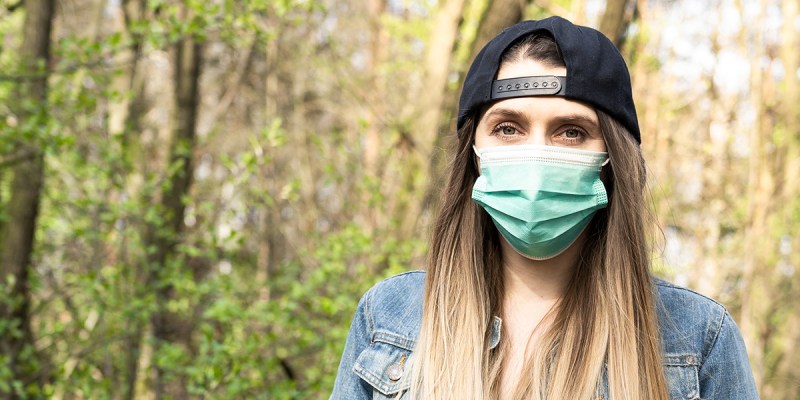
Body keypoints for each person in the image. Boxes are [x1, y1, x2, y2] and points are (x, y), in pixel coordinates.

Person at [331, 16, 759, 400]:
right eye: (508, 128)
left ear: (613, 160)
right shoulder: (389, 318)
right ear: (474, 155)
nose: (536, 157)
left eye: (571, 132)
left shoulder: (698, 339)